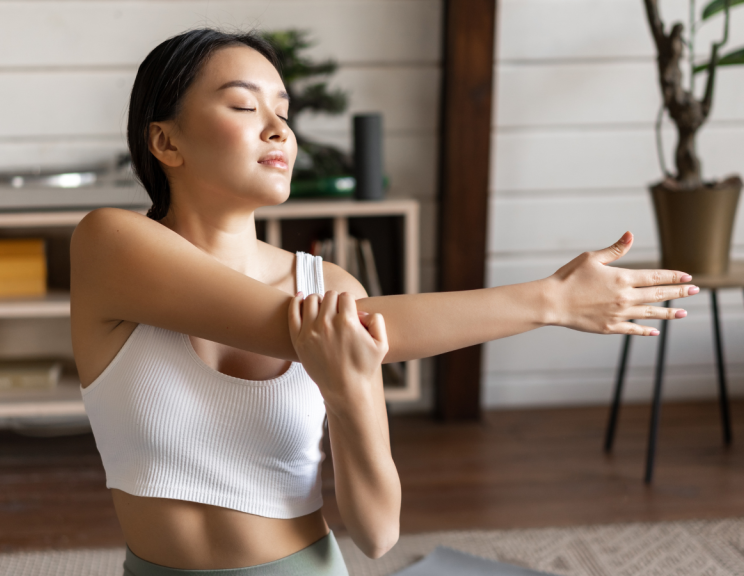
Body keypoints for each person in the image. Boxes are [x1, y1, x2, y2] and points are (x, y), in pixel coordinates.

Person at [69, 28, 698, 575]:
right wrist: (550, 301)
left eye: (284, 113)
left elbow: (377, 535)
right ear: (165, 143)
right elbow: (303, 329)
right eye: (243, 105)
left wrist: (352, 396)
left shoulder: (334, 287)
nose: (277, 129)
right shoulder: (110, 245)